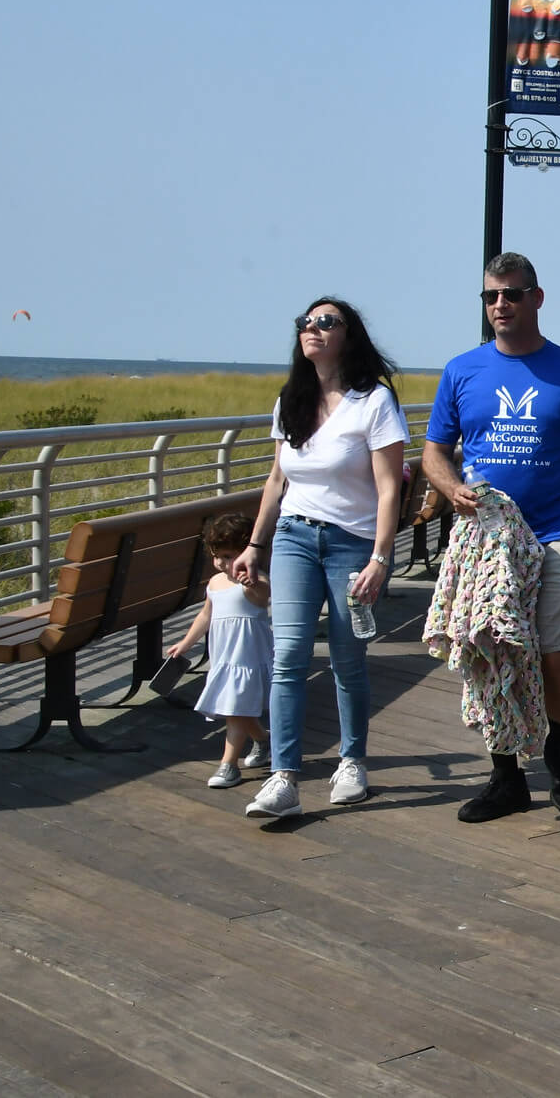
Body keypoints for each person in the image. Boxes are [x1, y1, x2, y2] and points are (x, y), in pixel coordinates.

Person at [422, 253, 560, 820]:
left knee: (557, 652)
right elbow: (434, 450)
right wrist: (449, 485)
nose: (500, 305)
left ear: (537, 297)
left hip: (557, 533)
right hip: (488, 538)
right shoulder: (463, 370)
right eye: (490, 296)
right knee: (492, 651)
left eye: (512, 294)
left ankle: (558, 743)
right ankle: (505, 774)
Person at [233, 297, 409, 820]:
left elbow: (387, 490)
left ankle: (351, 761)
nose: (313, 329)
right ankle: (283, 777)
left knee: (347, 659)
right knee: (288, 658)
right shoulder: (292, 397)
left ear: (348, 335)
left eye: (326, 322)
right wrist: (255, 545)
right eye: (306, 323)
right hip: (292, 538)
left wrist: (381, 558)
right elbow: (276, 480)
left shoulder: (373, 401)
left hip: (351, 545)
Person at [169, 512, 271, 788]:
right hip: (224, 659)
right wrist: (185, 644)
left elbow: (261, 599)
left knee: (235, 708)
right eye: (218, 556)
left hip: (247, 658)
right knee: (235, 708)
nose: (223, 563)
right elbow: (205, 616)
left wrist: (249, 584)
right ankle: (262, 740)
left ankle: (228, 765)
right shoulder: (215, 583)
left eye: (229, 556)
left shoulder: (256, 579)